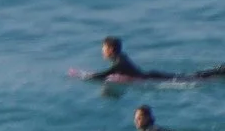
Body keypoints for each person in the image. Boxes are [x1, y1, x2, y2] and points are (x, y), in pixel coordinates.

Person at [89, 37, 225, 84]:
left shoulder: (120, 62)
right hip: (151, 75)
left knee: (193, 78)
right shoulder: (121, 58)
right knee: (193, 76)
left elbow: (105, 74)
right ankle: (219, 70)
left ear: (111, 49)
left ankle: (220, 70)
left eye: (104, 48)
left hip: (153, 78)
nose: (102, 51)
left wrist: (86, 76)